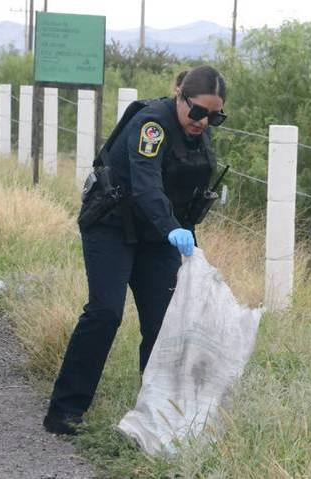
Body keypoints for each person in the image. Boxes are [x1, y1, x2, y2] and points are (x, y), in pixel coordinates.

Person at [43, 65, 228, 435]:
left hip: (158, 235)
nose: (204, 121)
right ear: (180, 96)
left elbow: (186, 194)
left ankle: (155, 415)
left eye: (215, 115)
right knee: (105, 313)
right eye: (197, 112)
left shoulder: (198, 136)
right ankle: (65, 410)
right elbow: (145, 185)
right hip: (112, 224)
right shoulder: (152, 125)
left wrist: (185, 235)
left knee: (162, 324)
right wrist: (172, 228)